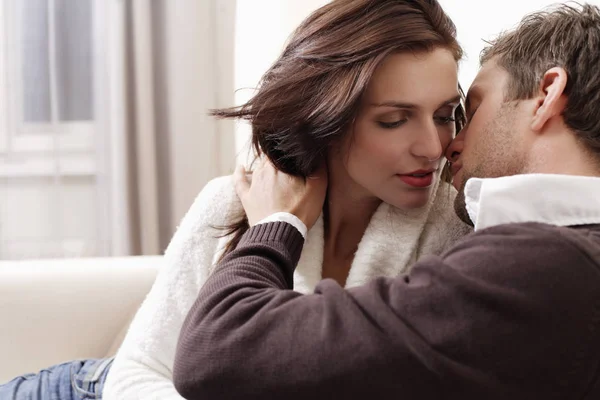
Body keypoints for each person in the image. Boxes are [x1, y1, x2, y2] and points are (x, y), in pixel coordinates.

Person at [0, 1, 472, 399]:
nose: (433, 148)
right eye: (394, 120)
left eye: (446, 115)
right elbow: (136, 372)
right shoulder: (231, 202)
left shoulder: (456, 232)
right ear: (326, 116)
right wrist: (279, 227)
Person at [172, 3, 600, 400]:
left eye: (463, 110)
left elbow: (219, 350)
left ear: (546, 95)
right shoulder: (560, 256)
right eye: (395, 120)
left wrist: (275, 227)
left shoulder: (541, 265)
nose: (444, 147)